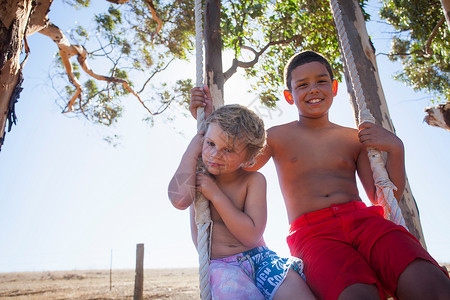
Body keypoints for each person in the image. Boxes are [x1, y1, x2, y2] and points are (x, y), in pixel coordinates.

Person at [189, 51, 450, 300]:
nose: (313, 89)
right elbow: (231, 161)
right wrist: (211, 121)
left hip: (365, 223)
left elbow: (382, 197)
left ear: (334, 88)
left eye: (321, 81)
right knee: (357, 295)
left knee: (431, 286)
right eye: (302, 84)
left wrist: (396, 148)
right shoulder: (276, 137)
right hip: (313, 234)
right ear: (289, 96)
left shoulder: (354, 138)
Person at [168, 104, 315, 300]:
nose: (214, 154)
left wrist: (216, 195)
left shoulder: (253, 181)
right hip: (223, 268)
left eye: (227, 149)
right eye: (210, 143)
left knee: (296, 292)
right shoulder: (195, 178)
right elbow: (178, 200)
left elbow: (251, 236)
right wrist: (192, 150)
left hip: (262, 259)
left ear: (248, 158)